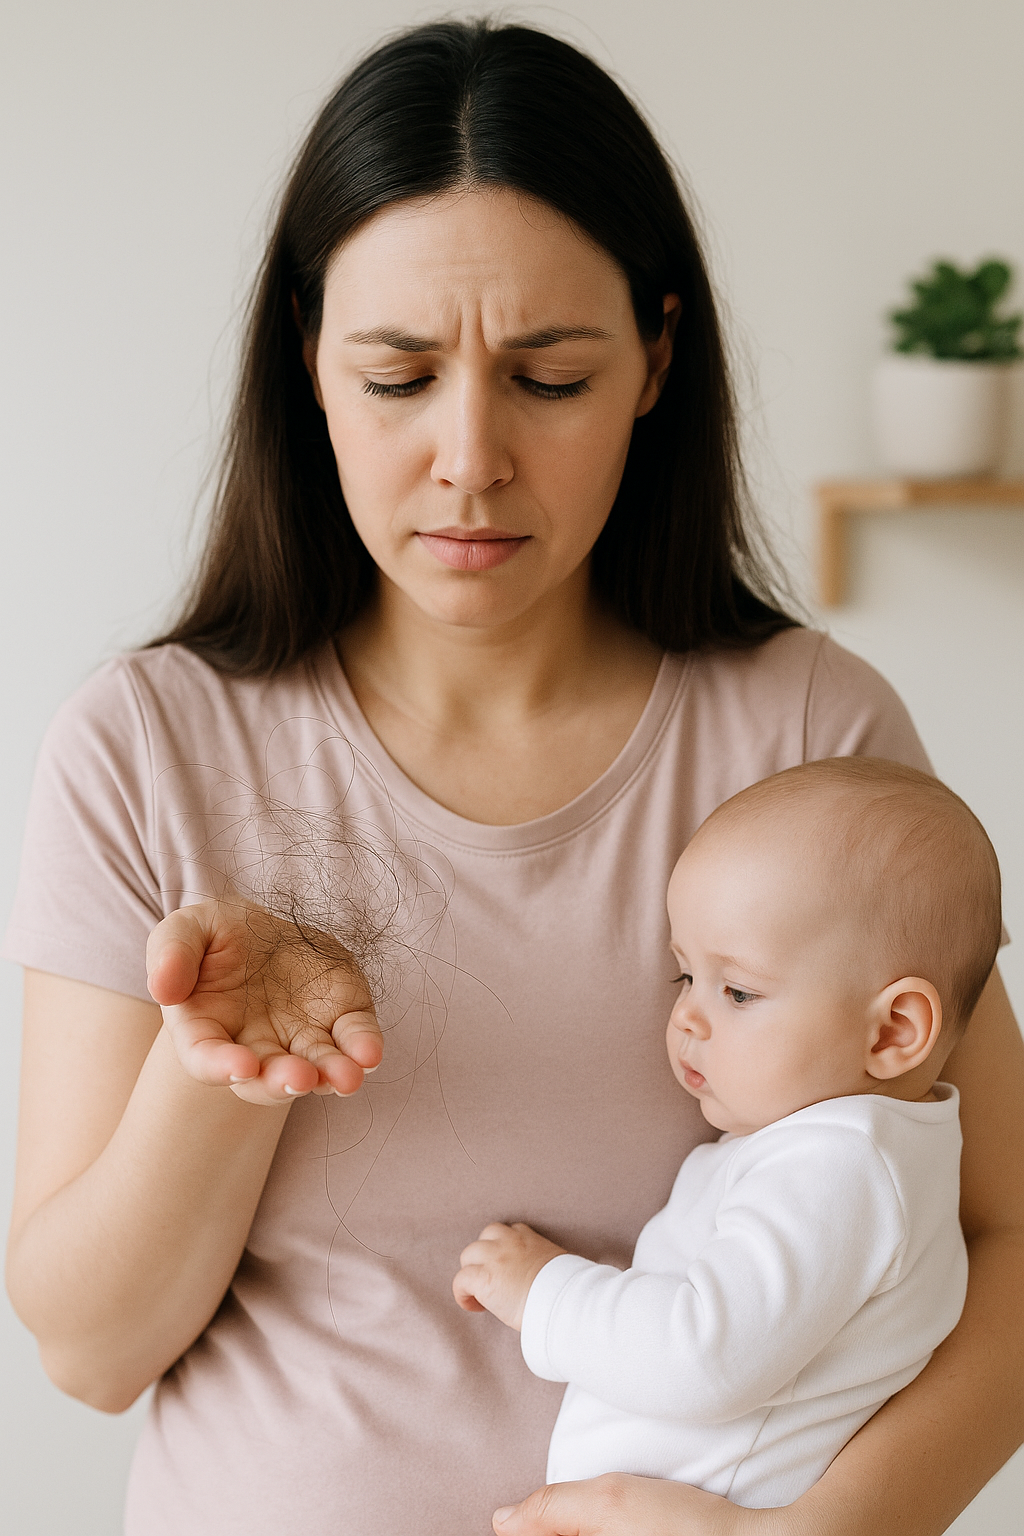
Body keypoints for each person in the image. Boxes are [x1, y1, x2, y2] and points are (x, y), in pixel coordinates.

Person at [3, 19, 1023, 1536]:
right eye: (399, 375)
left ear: (657, 359)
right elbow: (91, 1355)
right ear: (309, 364)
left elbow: (1008, 1237)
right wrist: (219, 1073)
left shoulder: (812, 738)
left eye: (549, 377)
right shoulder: (149, 744)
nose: (470, 457)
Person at [453, 757, 999, 1507]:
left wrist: (542, 1290)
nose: (688, 1017)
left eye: (738, 990)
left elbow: (705, 1356)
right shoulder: (839, 1149)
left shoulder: (840, 1168)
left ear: (893, 1031)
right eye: (685, 976)